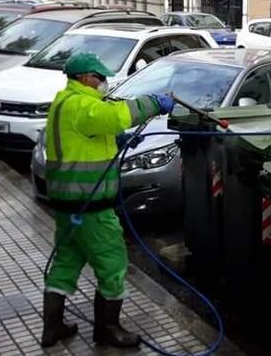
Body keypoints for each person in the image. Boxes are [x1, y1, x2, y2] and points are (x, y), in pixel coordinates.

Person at [41, 53, 175, 348]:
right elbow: (115, 115)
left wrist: (118, 140)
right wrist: (153, 103)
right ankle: (107, 330)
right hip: (91, 206)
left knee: (66, 261)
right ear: (85, 77)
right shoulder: (81, 104)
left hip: (67, 205)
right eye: (100, 77)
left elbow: (88, 135)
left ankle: (52, 328)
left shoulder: (63, 103)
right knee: (113, 264)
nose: (104, 83)